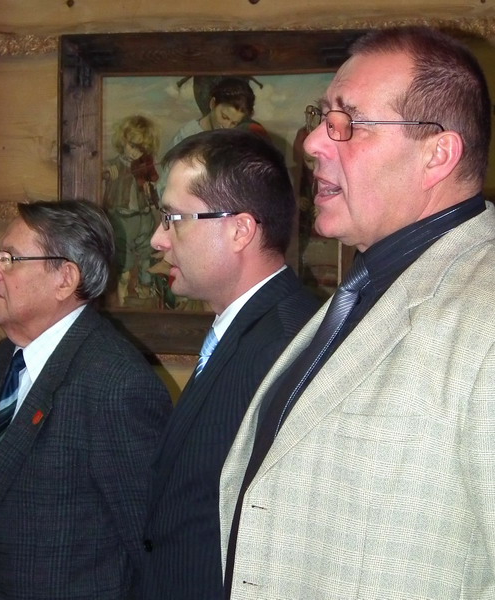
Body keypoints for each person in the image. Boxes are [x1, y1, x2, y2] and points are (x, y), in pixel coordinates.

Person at [220, 26, 495, 599]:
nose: (313, 143)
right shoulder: (365, 289)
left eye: (348, 122)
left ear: (437, 154)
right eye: (322, 118)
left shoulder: (484, 313)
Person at [140, 128, 321, 600]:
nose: (158, 239)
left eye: (173, 219)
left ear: (240, 230)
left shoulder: (291, 347)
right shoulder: (246, 329)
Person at [0, 200, 172, 600]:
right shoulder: (9, 356)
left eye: (10, 259)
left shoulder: (116, 384)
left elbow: (152, 550)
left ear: (65, 279)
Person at [103, 114, 161, 306]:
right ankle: (121, 299)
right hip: (122, 219)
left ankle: (146, 291)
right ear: (123, 140)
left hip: (144, 217)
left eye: (141, 149)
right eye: (132, 146)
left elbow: (155, 181)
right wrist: (107, 172)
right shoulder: (114, 165)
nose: (135, 152)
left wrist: (151, 186)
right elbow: (100, 172)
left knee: (146, 255)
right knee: (124, 262)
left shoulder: (144, 165)